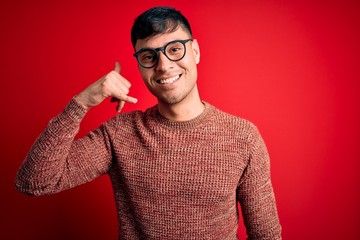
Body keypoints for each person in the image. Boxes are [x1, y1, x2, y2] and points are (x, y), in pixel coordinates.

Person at [15, 6, 282, 239]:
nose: (164, 66)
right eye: (149, 56)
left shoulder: (243, 137)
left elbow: (266, 235)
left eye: (175, 49)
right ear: (140, 65)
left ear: (196, 51)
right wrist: (81, 103)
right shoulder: (120, 134)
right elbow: (35, 181)